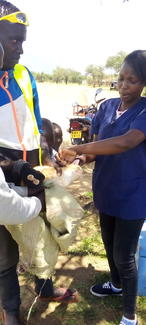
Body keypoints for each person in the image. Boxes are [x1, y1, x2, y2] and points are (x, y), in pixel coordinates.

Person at [0, 2, 76, 325]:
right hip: (5, 176)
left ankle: (43, 287)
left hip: (31, 172)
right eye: (14, 40)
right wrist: (12, 167)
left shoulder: (23, 74)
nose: (20, 49)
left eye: (23, 41)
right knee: (5, 253)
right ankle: (12, 312)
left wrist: (47, 152)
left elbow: (35, 120)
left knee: (42, 233)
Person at [59, 50, 146, 325]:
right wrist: (84, 157)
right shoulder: (107, 107)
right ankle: (116, 284)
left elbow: (125, 142)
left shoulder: (144, 111)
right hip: (106, 189)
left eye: (132, 80)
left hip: (134, 195)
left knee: (125, 255)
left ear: (143, 82)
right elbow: (101, 147)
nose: (124, 86)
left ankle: (129, 316)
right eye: (120, 79)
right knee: (109, 245)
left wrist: (77, 147)